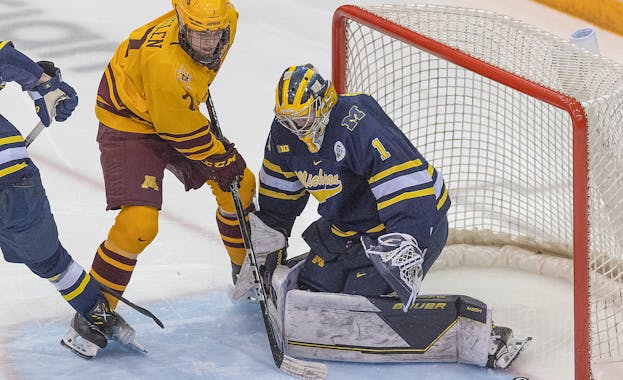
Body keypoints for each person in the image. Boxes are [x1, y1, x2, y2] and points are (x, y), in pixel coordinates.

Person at [232, 64, 529, 369]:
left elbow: (411, 192)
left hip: (411, 222)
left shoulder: (357, 123)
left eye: (303, 116)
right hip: (347, 228)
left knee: (358, 303)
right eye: (289, 119)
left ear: (323, 104)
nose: (297, 127)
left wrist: (404, 241)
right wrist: (270, 246)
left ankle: (484, 335)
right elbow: (278, 196)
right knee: (310, 294)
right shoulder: (284, 133)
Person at [62, 0, 256, 356]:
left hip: (172, 106)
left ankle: (247, 274)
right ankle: (94, 312)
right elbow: (181, 132)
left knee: (241, 186)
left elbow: (183, 110)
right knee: (139, 225)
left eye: (214, 33)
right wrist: (221, 158)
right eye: (199, 34)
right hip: (129, 122)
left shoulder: (227, 19)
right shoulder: (165, 64)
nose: (208, 44)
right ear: (183, 24)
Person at [0, 40, 136, 358]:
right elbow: (7, 60)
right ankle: (96, 313)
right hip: (17, 183)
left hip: (15, 183)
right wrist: (46, 85)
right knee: (51, 262)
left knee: (49, 260)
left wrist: (44, 84)